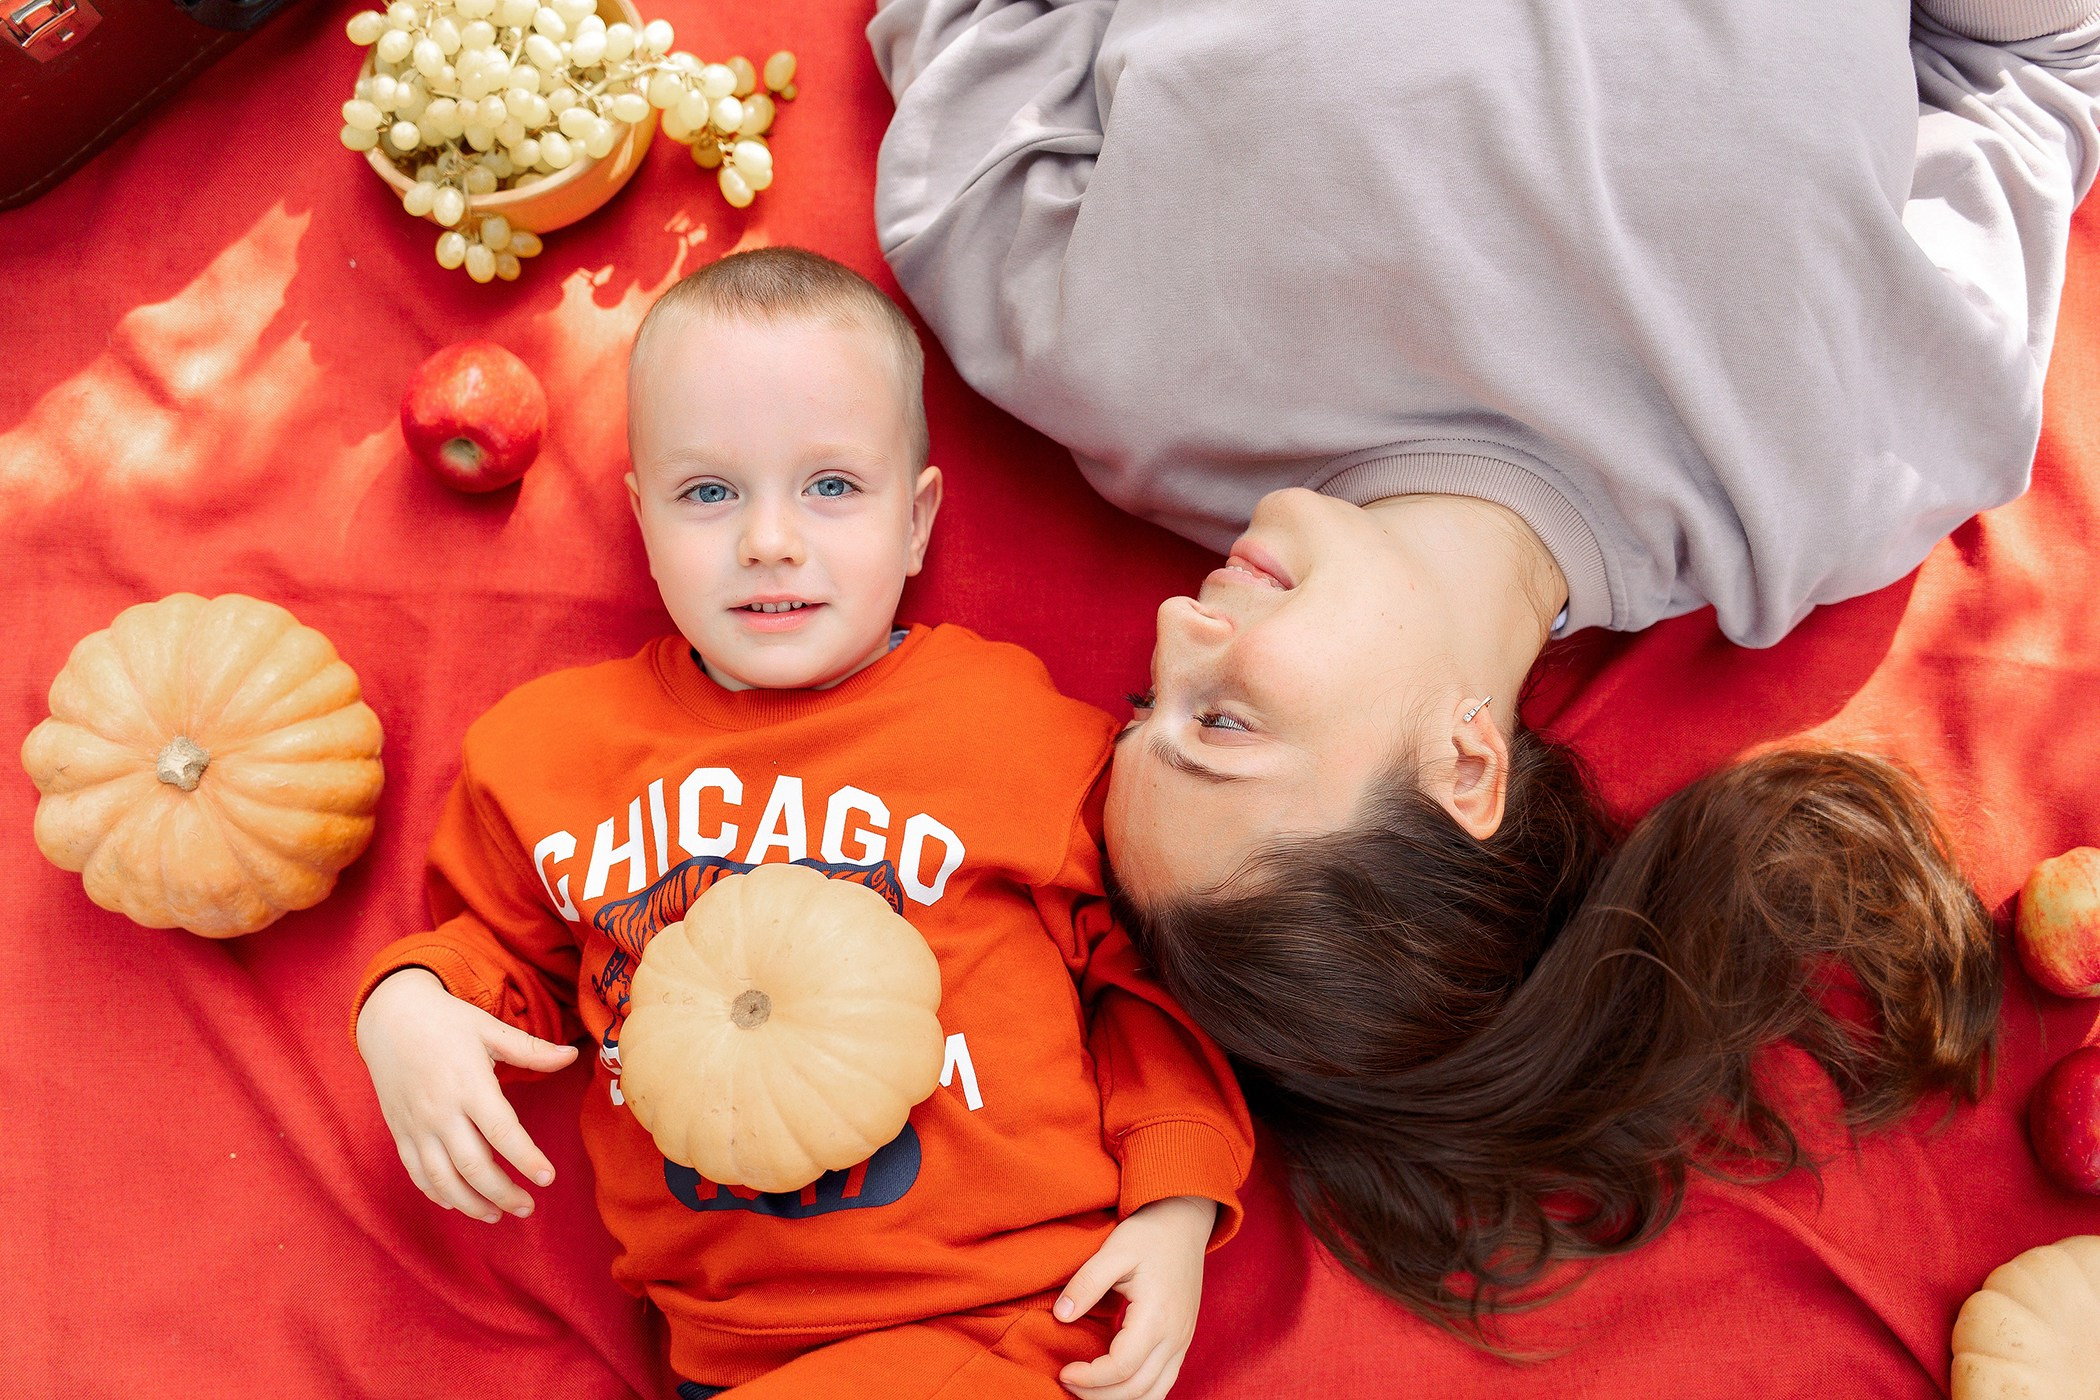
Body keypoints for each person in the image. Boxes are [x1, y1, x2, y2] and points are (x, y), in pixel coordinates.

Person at [868, 0, 2095, 1334]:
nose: (1171, 633)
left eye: (1143, 707)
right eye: (1219, 721)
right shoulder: (1833, 476)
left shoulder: (1097, 368)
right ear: (1462, 761)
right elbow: (2032, 61)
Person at [351, 247, 1253, 1399]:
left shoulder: (1012, 730)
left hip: (1007, 1314)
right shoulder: (551, 754)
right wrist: (409, 1004)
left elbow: (1144, 975)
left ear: (917, 522)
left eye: (831, 486)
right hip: (726, 1355)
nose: (769, 538)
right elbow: (499, 952)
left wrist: (1176, 1192)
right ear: (641, 518)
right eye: (709, 492)